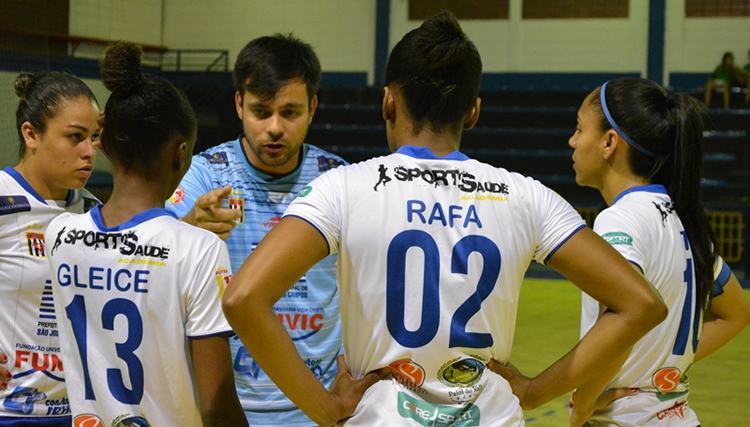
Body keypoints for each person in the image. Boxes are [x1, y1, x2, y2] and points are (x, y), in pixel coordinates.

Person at [222, 12, 667, 426]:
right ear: (473, 110)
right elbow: (640, 305)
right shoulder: (527, 196)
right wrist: (532, 392)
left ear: (388, 103)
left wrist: (324, 408)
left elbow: (243, 298)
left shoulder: (343, 188)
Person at [45, 42, 247, 427]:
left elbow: (130, 248)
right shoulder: (200, 249)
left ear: (103, 147)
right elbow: (218, 406)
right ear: (181, 152)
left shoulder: (61, 234)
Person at [165, 33, 347, 426]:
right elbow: (153, 267)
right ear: (238, 105)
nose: (275, 128)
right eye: (261, 111)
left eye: (291, 112)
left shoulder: (339, 181)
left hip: (318, 408)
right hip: (226, 410)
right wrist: (188, 227)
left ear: (313, 108)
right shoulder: (205, 174)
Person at [567, 77, 750, 426]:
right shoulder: (685, 220)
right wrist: (660, 369)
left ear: (609, 142)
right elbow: (736, 314)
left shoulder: (618, 221)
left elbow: (619, 323)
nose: (572, 141)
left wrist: (584, 403)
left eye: (579, 129)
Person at [0, 71, 100, 426]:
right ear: (31, 134)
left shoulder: (92, 211)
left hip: (78, 413)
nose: (89, 152)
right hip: (8, 412)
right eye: (75, 137)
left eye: (95, 137)